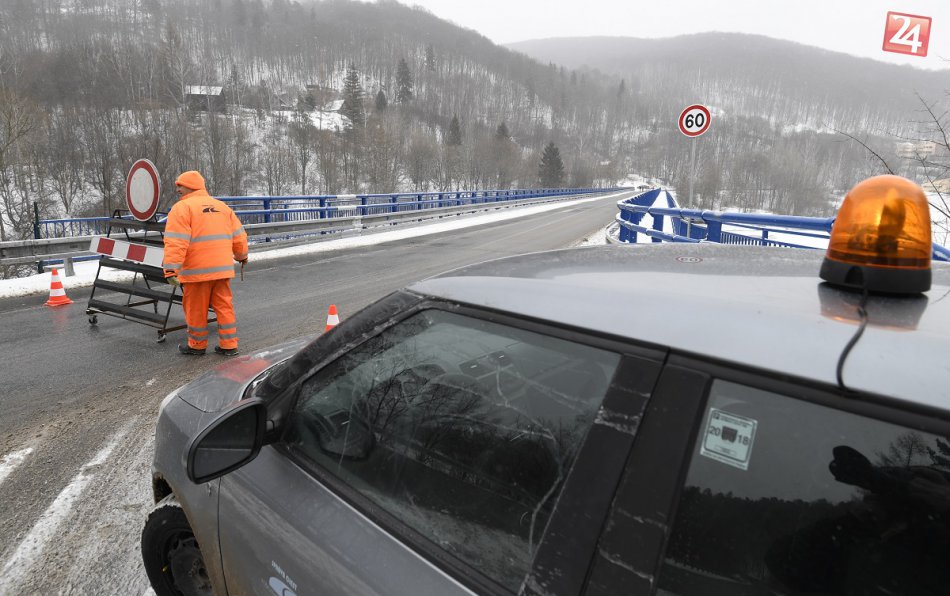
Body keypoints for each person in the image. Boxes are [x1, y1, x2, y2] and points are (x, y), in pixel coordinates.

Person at [162, 171, 248, 356]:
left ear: (191, 186)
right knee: (224, 307)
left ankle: (197, 345)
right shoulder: (222, 207)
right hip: (222, 270)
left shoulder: (182, 208)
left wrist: (170, 269)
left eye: (181, 185)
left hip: (197, 272)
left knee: (196, 310)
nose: (177, 189)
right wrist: (241, 256)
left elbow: (176, 242)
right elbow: (239, 236)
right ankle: (229, 345)